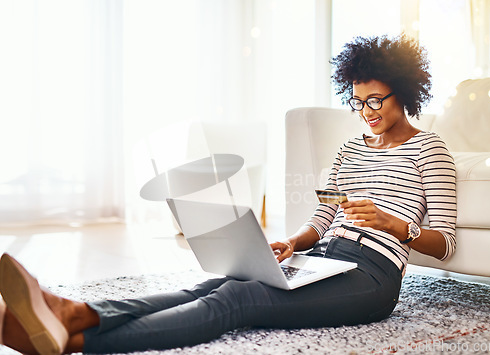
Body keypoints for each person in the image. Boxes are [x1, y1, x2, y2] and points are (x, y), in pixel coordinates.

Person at [0, 34, 456, 354]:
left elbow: (446, 244)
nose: (366, 112)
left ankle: (74, 342)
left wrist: (397, 225)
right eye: (358, 102)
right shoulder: (347, 151)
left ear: (406, 92)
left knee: (238, 302)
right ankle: (74, 312)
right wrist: (293, 244)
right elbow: (323, 217)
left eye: (376, 101)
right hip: (322, 259)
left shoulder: (430, 150)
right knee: (217, 284)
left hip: (372, 276)